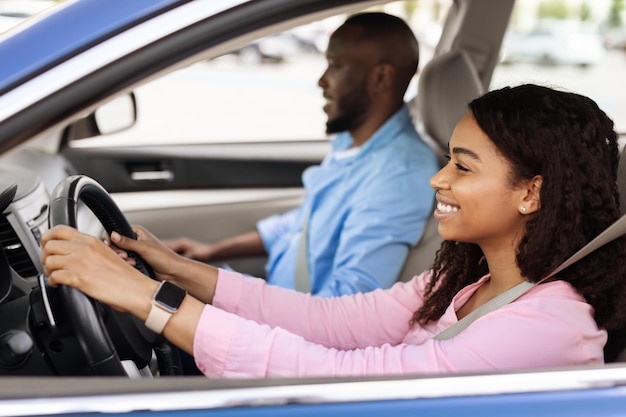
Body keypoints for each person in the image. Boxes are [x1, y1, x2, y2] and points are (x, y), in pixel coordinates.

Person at [41, 84, 626, 378]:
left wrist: (148, 299)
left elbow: (349, 380)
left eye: (462, 166)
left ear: (531, 192)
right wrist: (177, 271)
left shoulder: (547, 328)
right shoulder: (469, 282)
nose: (436, 181)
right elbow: (330, 323)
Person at [163, 12, 439, 296]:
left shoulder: (401, 173)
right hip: (273, 305)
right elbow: (303, 224)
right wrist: (209, 251)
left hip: (284, 329)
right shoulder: (351, 141)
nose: (322, 81)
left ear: (381, 78)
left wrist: (219, 298)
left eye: (336, 65)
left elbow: (343, 309)